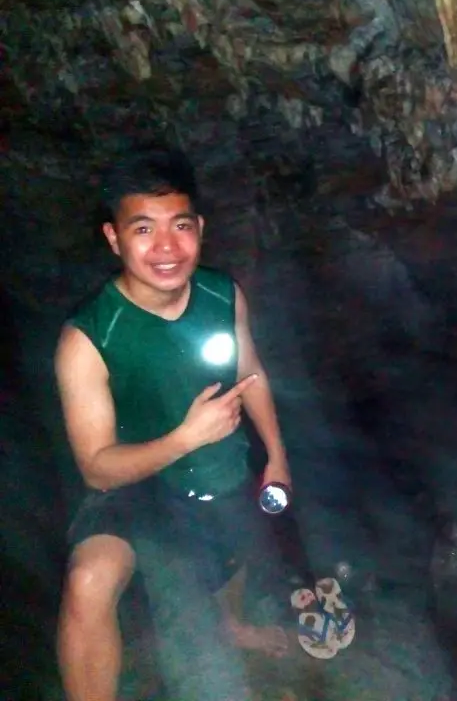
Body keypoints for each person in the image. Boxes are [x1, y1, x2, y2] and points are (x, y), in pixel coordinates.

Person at [55, 149, 294, 701]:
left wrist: (277, 456)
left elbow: (250, 370)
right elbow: (97, 470)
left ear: (200, 228)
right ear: (114, 238)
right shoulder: (88, 338)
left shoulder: (220, 293)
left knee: (231, 544)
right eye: (144, 229)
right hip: (138, 487)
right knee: (90, 581)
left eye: (180, 226)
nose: (167, 248)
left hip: (216, 475)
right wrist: (185, 437)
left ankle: (230, 625)